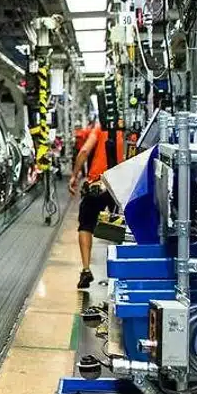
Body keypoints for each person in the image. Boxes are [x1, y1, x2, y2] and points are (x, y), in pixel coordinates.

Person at [70, 119, 121, 289]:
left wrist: (74, 176)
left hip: (98, 183)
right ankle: (118, 269)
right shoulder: (131, 131)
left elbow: (84, 151)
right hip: (122, 184)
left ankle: (86, 270)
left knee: (86, 224)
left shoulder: (101, 129)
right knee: (119, 227)